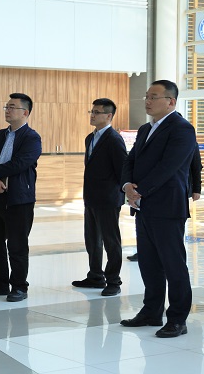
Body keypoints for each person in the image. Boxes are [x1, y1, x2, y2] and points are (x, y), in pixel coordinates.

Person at [120, 80, 196, 338]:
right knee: (149, 263)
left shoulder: (182, 129)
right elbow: (130, 160)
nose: (147, 101)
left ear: (170, 102)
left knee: (173, 265)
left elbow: (169, 167)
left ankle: (177, 319)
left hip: (167, 207)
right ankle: (151, 312)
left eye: (153, 97)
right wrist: (127, 185)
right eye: (146, 96)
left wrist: (139, 190)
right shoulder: (145, 129)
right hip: (143, 206)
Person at [0, 93, 41, 302]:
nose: (8, 110)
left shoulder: (31, 138)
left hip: (19, 199)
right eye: (6, 106)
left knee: (17, 244)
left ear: (25, 112)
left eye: (12, 107)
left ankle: (19, 287)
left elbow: (19, 164)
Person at [72, 98, 127, 296]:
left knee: (111, 242)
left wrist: (123, 193)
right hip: (92, 197)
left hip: (108, 199)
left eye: (97, 112)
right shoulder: (90, 138)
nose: (92, 115)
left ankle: (114, 281)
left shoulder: (114, 139)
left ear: (109, 116)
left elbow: (122, 170)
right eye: (92, 112)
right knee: (92, 240)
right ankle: (95, 276)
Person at [126, 141, 202, 262]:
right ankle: (144, 252)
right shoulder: (150, 138)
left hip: (175, 193)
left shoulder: (187, 139)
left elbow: (196, 165)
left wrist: (197, 188)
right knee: (148, 229)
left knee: (171, 233)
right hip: (149, 193)